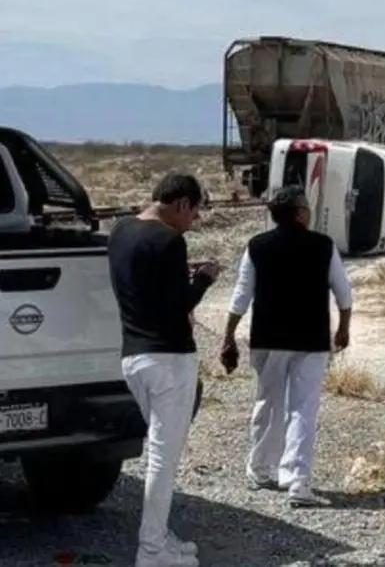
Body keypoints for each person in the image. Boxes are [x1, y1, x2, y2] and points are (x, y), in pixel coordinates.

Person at [107, 172, 220, 567]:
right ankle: (152, 549)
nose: (193, 222)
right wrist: (204, 280)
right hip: (169, 360)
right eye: (194, 213)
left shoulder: (121, 231)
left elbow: (149, 288)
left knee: (159, 451)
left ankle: (160, 538)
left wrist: (183, 276)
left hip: (134, 356)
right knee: (162, 457)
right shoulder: (170, 241)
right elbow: (178, 305)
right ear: (181, 204)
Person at [221, 185, 353, 508]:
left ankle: (260, 469)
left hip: (268, 338)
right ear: (300, 213)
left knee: (268, 402)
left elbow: (241, 297)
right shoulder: (323, 246)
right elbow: (344, 293)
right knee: (302, 408)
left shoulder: (257, 246)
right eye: (306, 207)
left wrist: (228, 337)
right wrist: (343, 329)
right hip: (311, 339)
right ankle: (297, 480)